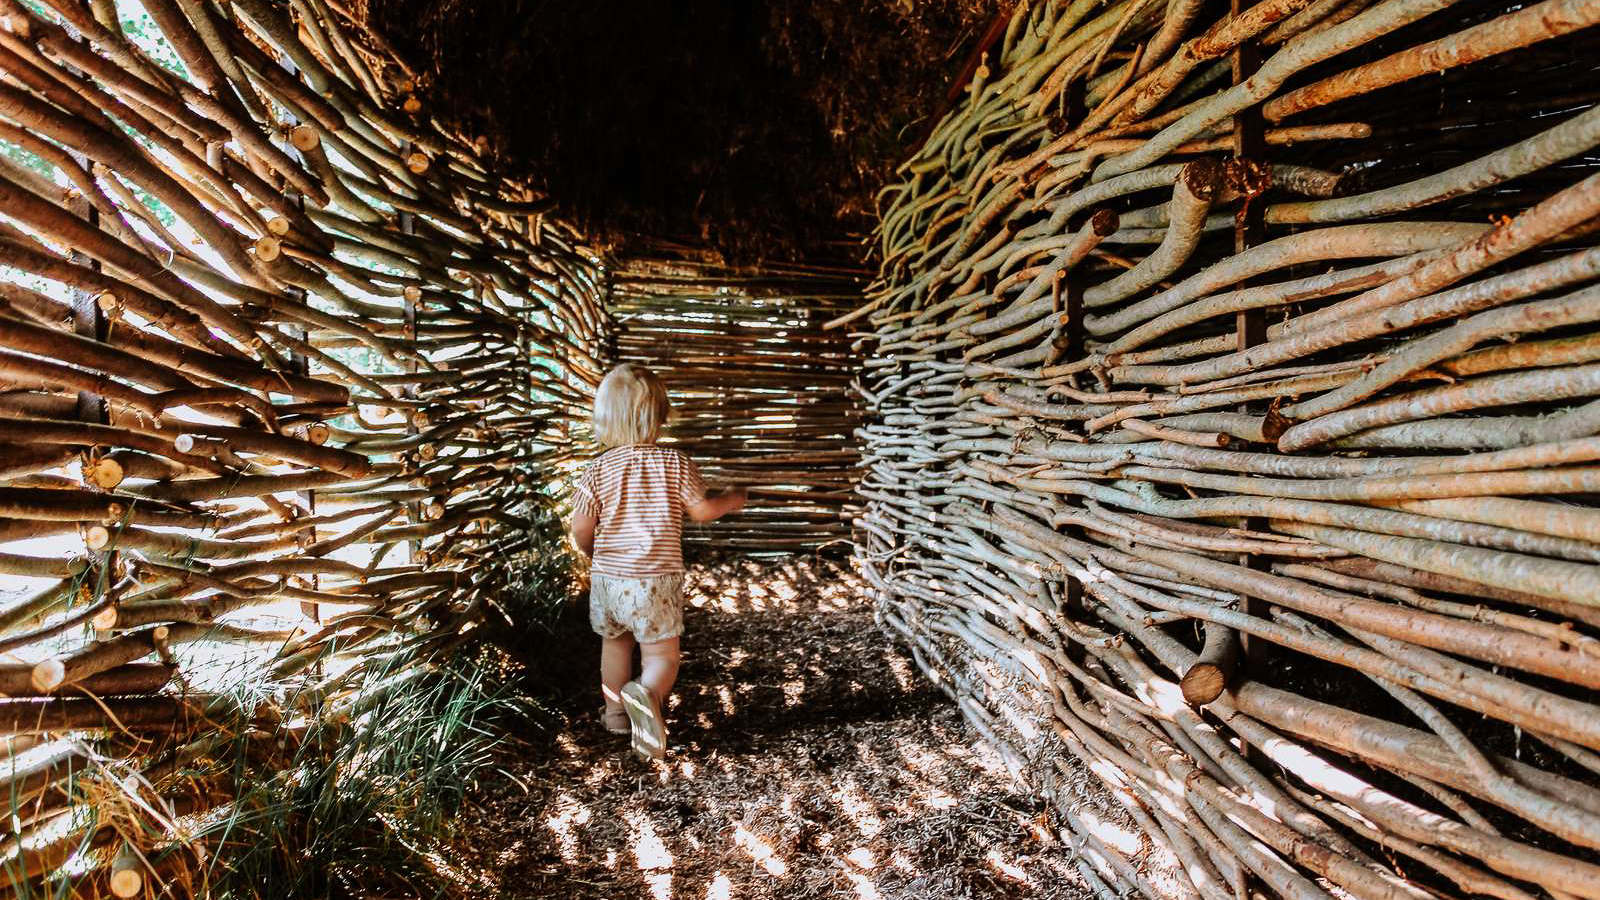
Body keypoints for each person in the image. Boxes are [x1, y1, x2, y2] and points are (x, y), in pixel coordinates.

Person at [568, 364, 746, 761]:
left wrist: (592, 554)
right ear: (660, 416)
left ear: (604, 418)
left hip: (609, 580)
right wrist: (734, 498)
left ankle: (615, 714)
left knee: (614, 646)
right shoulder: (675, 463)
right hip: (655, 582)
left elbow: (581, 527)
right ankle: (646, 696)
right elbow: (701, 511)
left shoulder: (597, 470)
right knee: (661, 655)